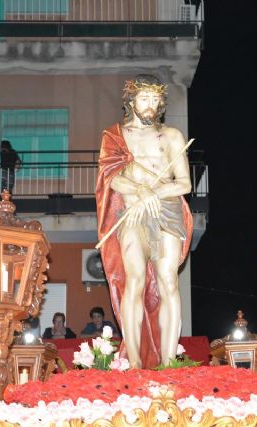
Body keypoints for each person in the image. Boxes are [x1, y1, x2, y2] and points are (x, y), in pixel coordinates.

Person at [95, 74, 193, 368]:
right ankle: (135, 362)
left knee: (169, 281)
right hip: (133, 213)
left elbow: (185, 183)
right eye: (144, 99)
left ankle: (168, 361)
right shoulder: (115, 137)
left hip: (167, 212)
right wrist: (139, 191)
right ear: (131, 101)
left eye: (155, 100)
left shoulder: (173, 136)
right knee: (134, 279)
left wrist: (157, 192)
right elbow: (110, 179)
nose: (150, 106)